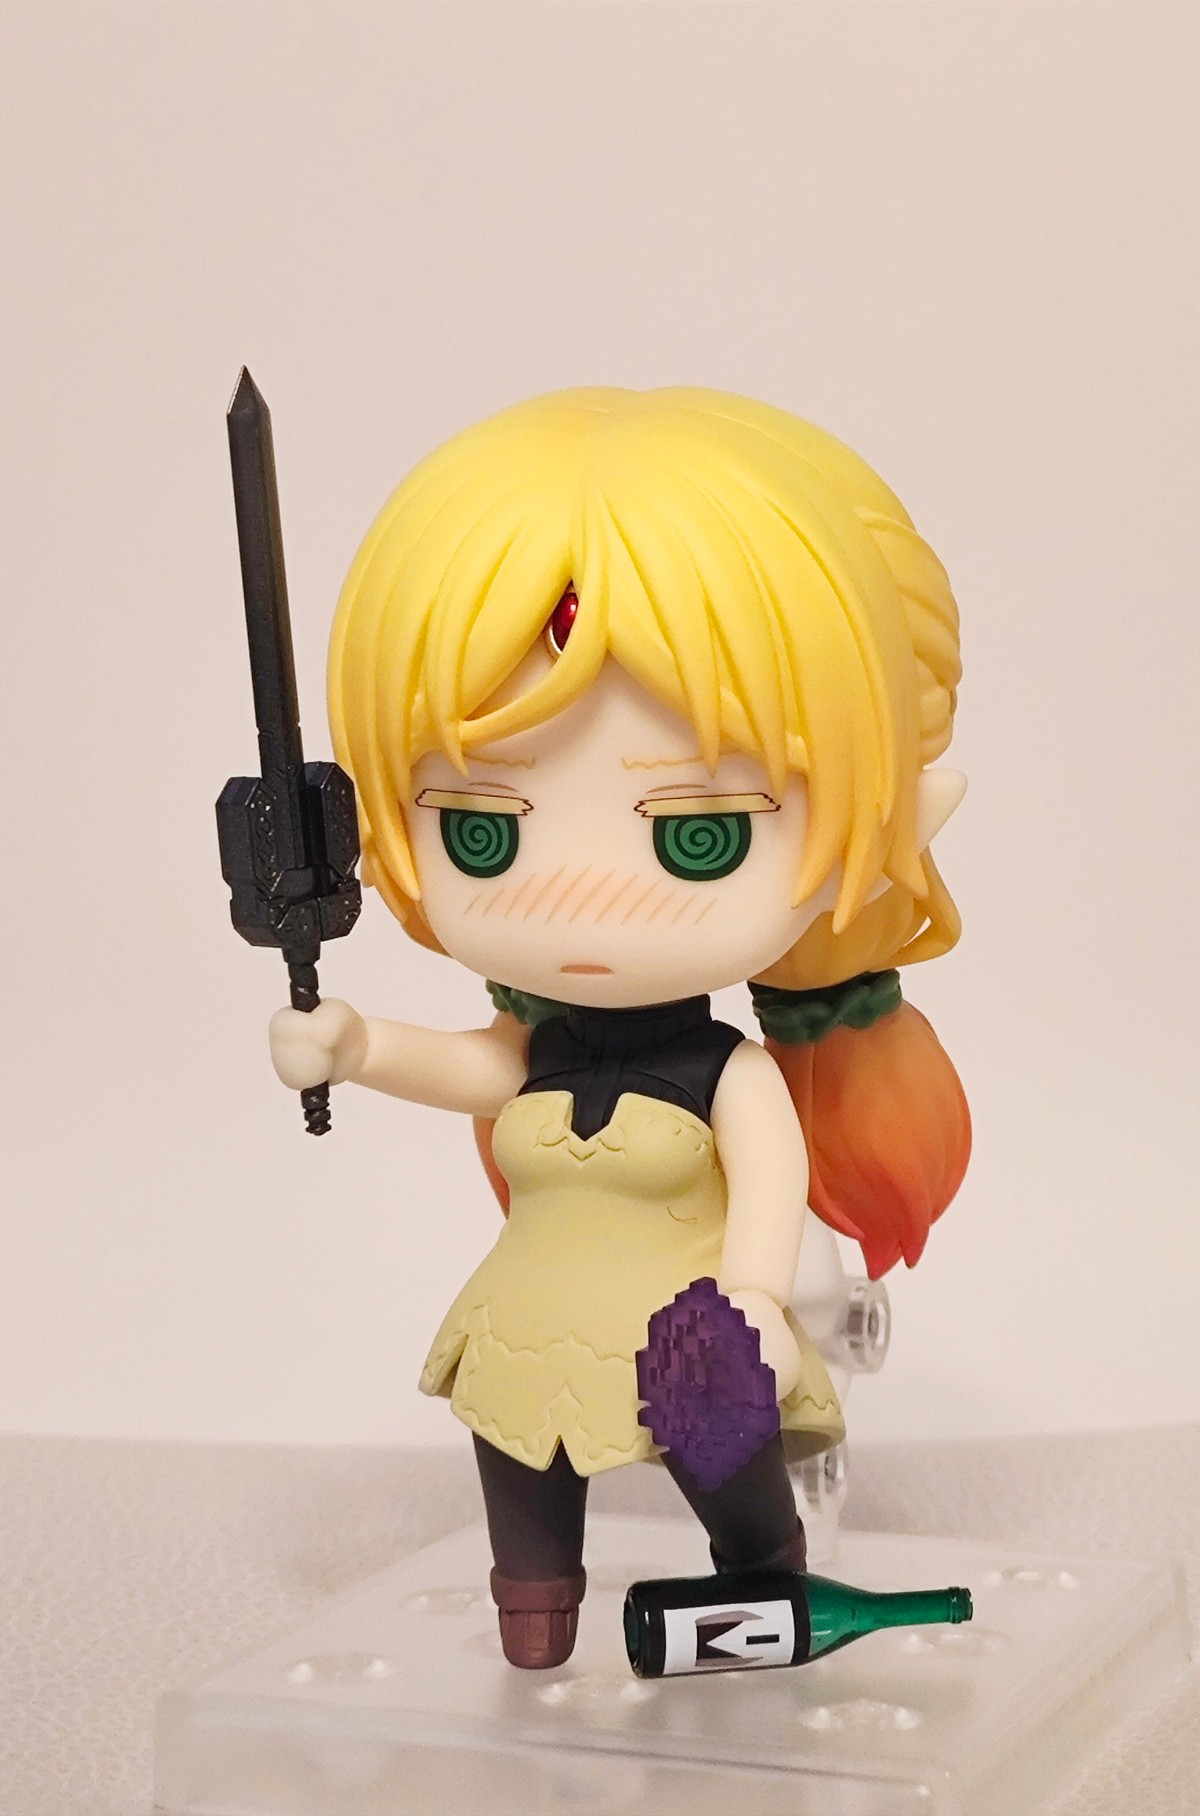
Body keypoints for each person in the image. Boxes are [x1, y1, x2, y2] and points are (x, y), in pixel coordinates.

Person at [268, 387, 971, 1667]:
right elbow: (476, 1067)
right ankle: (534, 1626)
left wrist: (756, 1297)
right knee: (518, 1461)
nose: (581, 897)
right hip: (528, 1326)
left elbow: (773, 1178)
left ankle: (760, 1586)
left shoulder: (729, 1072)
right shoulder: (537, 1049)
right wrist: (357, 1046)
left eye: (700, 837)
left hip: (694, 1343)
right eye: (483, 832)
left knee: (726, 1474)